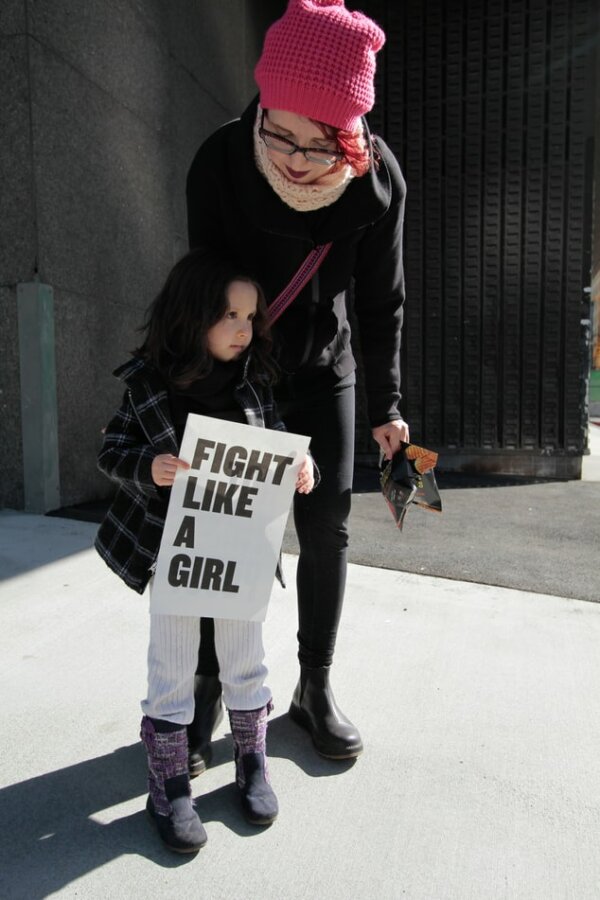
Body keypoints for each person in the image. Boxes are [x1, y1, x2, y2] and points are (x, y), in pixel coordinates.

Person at [185, 0, 409, 766]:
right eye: (279, 131)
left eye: (320, 143)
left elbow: (382, 302)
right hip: (239, 369)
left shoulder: (378, 185)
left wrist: (389, 407)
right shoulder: (220, 162)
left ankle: (314, 685)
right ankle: (208, 684)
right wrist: (209, 396)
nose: (293, 156)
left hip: (324, 367)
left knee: (327, 525)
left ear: (352, 136)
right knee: (226, 529)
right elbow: (202, 292)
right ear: (262, 104)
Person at [94, 249, 315, 853]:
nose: (245, 329)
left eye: (251, 317)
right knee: (172, 666)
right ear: (192, 317)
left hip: (243, 547)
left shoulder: (255, 381)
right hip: (175, 549)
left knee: (246, 659)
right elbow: (109, 452)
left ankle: (251, 763)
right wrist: (150, 465)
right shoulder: (146, 385)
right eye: (229, 316)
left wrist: (302, 465)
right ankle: (167, 783)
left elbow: (276, 445)